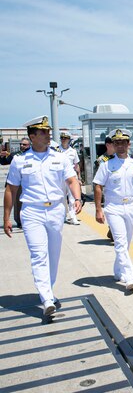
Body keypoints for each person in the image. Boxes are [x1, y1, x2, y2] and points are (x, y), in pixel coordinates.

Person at [3, 116, 82, 316]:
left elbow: (72, 180)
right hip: (32, 211)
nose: (48, 135)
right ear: (32, 136)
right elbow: (11, 190)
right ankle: (46, 298)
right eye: (44, 132)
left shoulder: (60, 157)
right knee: (39, 254)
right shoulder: (20, 160)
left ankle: (49, 290)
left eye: (48, 132)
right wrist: (7, 218)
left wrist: (77, 198)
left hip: (56, 210)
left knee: (53, 255)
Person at [93, 129, 133, 291]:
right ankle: (129, 276)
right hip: (113, 207)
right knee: (120, 242)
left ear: (129, 144)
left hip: (131, 205)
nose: (120, 146)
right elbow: (98, 186)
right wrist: (98, 209)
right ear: (113, 145)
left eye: (123, 143)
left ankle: (118, 271)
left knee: (126, 242)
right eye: (116, 143)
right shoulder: (106, 164)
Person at [2, 138, 31, 228]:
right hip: (17, 183)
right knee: (18, 202)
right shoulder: (15, 155)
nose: (22, 146)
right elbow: (4, 162)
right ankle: (19, 221)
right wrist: (2, 156)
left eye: (24, 144)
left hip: (28, 182)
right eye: (21, 144)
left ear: (29, 145)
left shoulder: (32, 155)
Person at [59, 132, 82, 225]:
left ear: (69, 140)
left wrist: (79, 178)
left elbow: (76, 165)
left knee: (72, 197)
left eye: (66, 138)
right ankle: (62, 216)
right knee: (61, 197)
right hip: (60, 175)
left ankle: (73, 217)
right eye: (62, 138)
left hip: (71, 175)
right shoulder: (56, 150)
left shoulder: (73, 151)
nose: (64, 140)